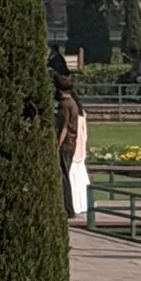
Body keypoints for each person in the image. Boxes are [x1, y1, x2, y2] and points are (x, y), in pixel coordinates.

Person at [55, 82, 89, 224]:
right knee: (70, 178)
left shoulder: (65, 104)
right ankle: (72, 207)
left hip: (67, 145)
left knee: (65, 177)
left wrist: (57, 145)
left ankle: (68, 208)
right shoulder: (74, 105)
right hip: (74, 145)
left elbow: (63, 128)